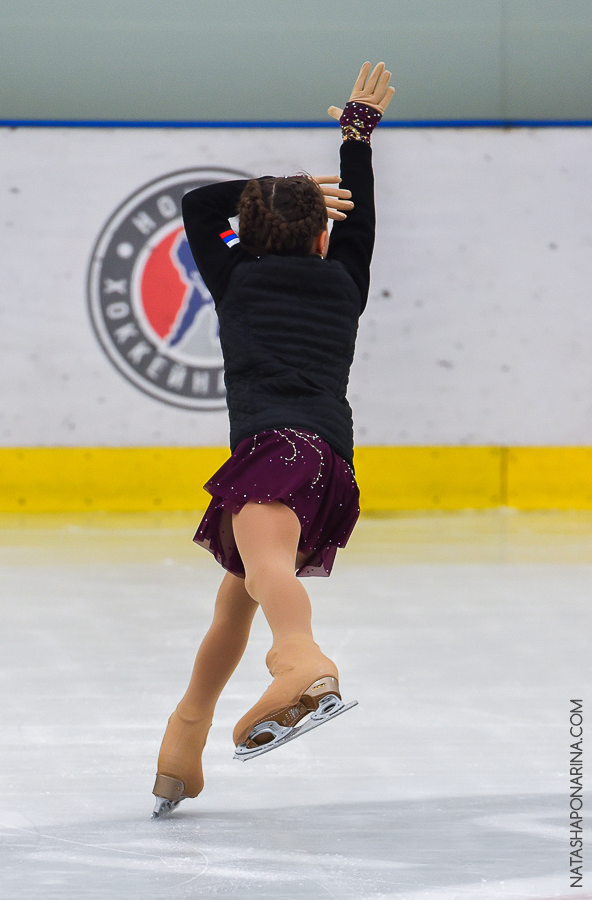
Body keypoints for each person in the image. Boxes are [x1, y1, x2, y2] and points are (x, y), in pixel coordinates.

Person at [152, 61, 395, 818]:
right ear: (325, 236)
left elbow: (199, 204)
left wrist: (275, 194)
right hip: (328, 463)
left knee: (261, 578)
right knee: (235, 599)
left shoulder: (237, 279)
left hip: (273, 449)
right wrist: (354, 137)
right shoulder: (344, 279)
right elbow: (363, 216)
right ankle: (181, 745)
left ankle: (301, 662)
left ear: (247, 233)